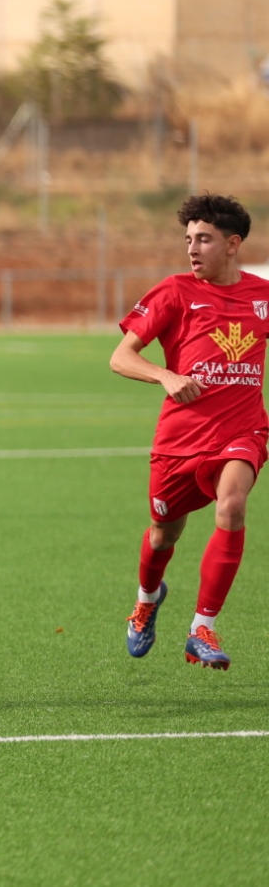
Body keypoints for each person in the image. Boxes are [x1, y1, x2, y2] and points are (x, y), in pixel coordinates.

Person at [112, 193, 269, 669]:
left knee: (232, 505)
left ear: (233, 244)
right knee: (163, 534)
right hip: (180, 440)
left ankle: (203, 627)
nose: (192, 249)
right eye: (188, 239)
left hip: (242, 430)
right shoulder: (175, 292)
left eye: (204, 239)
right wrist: (165, 376)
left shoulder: (262, 296)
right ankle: (147, 599)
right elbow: (121, 357)